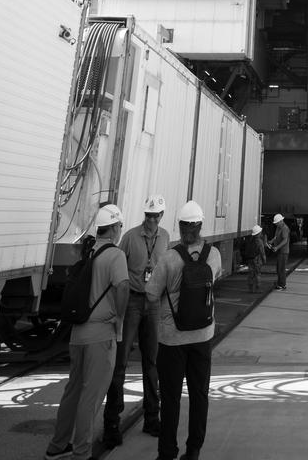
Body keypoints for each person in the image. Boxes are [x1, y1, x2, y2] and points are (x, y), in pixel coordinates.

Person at [46, 204, 129, 460]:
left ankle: (57, 447)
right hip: (100, 337)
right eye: (119, 226)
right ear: (114, 228)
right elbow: (123, 288)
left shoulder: (89, 252)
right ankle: (82, 452)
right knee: (91, 398)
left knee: (73, 392)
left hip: (78, 334)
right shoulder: (115, 255)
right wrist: (119, 318)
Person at [146, 200, 222, 460]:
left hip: (172, 338)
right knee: (200, 394)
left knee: (170, 397)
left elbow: (151, 294)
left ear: (180, 227)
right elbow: (213, 282)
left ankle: (167, 452)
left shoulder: (168, 258)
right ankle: (194, 450)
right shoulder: (214, 255)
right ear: (200, 226)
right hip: (203, 335)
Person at [102, 194, 170, 446]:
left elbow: (164, 269)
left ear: (162, 216)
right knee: (120, 363)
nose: (151, 220)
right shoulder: (130, 238)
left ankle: (152, 417)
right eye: (148, 216)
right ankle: (111, 423)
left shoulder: (165, 238)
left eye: (156, 216)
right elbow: (117, 269)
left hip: (152, 304)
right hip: (131, 302)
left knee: (151, 363)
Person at [268, 213, 290, 290]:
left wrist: (277, 247)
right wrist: (271, 241)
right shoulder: (279, 227)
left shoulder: (284, 228)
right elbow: (276, 237)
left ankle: (283, 285)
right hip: (280, 251)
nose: (276, 224)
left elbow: (285, 240)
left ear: (281, 221)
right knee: (278, 268)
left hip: (283, 252)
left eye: (277, 223)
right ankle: (280, 284)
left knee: (281, 268)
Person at [243, 224, 265, 292]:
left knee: (251, 274)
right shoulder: (259, 241)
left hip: (250, 259)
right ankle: (257, 289)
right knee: (257, 274)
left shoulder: (250, 240)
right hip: (257, 259)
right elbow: (262, 252)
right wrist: (264, 259)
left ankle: (250, 289)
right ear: (258, 233)